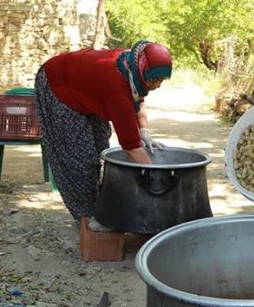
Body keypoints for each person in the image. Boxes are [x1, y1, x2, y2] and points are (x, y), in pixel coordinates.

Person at [34, 40, 172, 230]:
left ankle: (99, 202)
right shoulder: (117, 85)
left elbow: (138, 100)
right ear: (141, 70)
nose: (157, 85)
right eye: (153, 79)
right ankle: (90, 216)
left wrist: (145, 131)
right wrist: (158, 178)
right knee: (81, 159)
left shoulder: (131, 66)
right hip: (58, 83)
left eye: (161, 80)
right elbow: (131, 146)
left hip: (87, 87)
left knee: (101, 144)